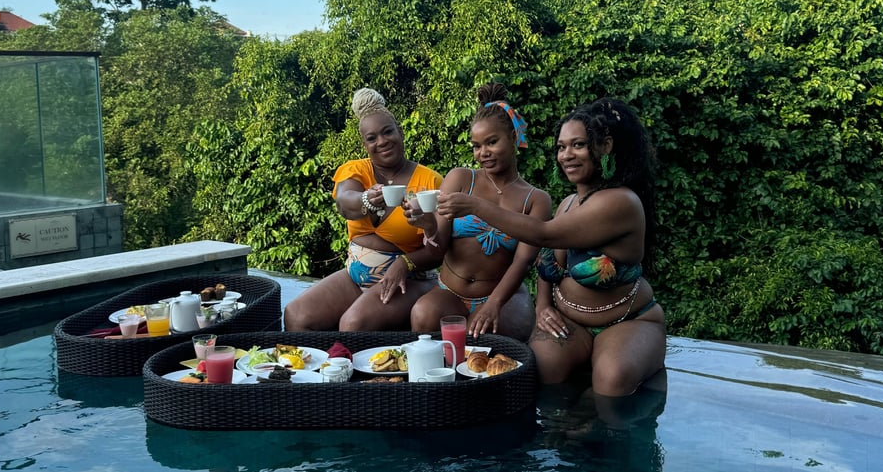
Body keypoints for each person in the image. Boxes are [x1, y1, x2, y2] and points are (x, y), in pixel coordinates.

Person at [437, 98, 665, 395]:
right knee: (540, 369)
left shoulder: (620, 202)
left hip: (628, 321)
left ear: (605, 146)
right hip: (570, 323)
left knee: (611, 380)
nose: (566, 155)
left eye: (578, 145)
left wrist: (475, 206)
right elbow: (546, 262)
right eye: (561, 147)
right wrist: (543, 306)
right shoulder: (569, 203)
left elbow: (543, 235)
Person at [283, 88, 444, 331]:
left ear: (400, 132)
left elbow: (441, 248)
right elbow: (344, 202)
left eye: (388, 132)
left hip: (408, 278)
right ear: (365, 144)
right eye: (372, 138)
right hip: (355, 275)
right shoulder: (357, 170)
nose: (382, 141)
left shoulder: (430, 181)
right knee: (296, 315)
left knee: (353, 324)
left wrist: (406, 262)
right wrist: (366, 199)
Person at [404, 83, 551, 340]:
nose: (483, 153)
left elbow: (523, 262)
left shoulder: (535, 199)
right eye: (476, 146)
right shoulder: (461, 179)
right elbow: (438, 250)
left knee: (485, 337)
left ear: (513, 137)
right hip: (450, 293)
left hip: (502, 296)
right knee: (423, 313)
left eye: (492, 142)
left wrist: (494, 304)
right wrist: (428, 225)